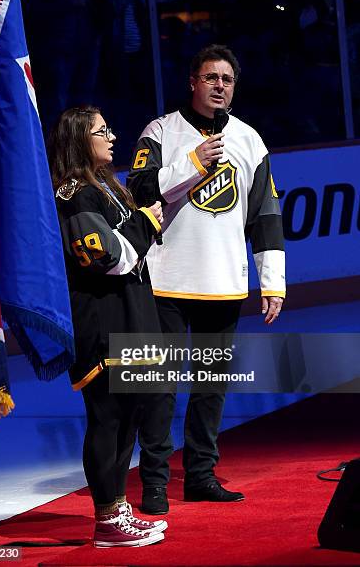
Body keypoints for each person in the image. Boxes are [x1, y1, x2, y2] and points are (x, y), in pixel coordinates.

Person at [127, 44, 285, 514]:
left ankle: (200, 475)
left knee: (210, 386)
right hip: (167, 282)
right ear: (192, 82)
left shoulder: (250, 140)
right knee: (158, 386)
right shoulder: (160, 131)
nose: (220, 86)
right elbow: (139, 189)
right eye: (211, 77)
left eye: (227, 79)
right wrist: (194, 162)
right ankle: (154, 481)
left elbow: (266, 216)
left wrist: (272, 281)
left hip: (223, 283)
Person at [48, 106, 167, 547]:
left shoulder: (108, 186)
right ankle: (105, 519)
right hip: (101, 319)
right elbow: (106, 258)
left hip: (131, 313)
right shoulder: (73, 193)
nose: (112, 137)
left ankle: (118, 508)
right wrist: (145, 222)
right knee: (108, 416)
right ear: (80, 139)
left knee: (131, 414)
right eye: (102, 131)